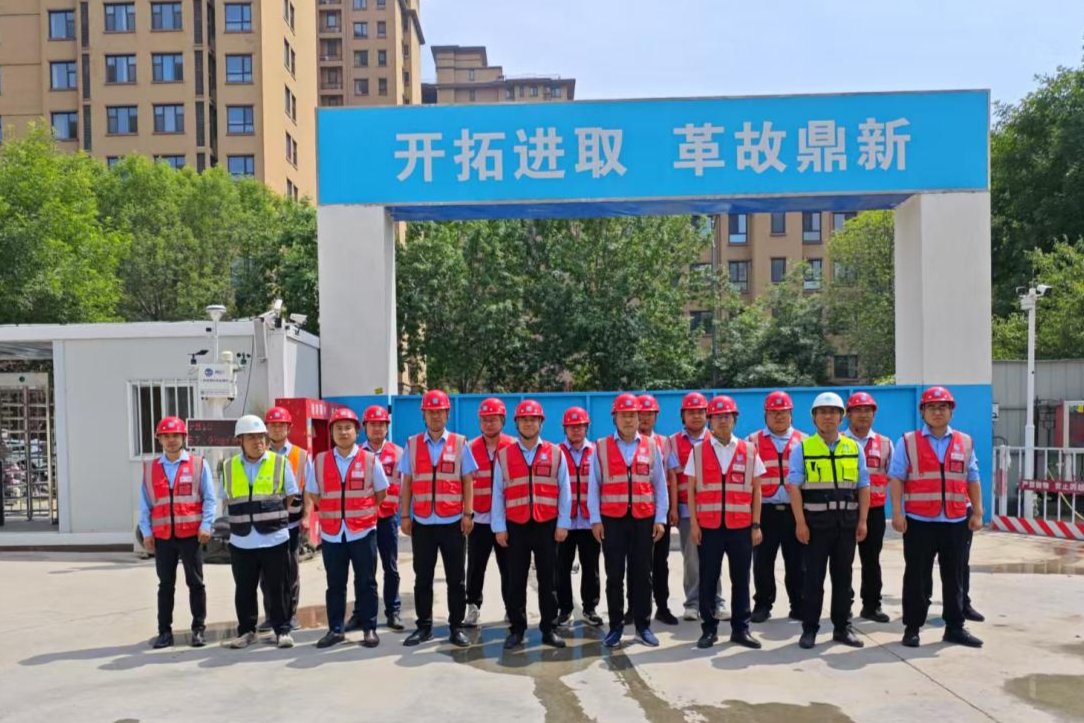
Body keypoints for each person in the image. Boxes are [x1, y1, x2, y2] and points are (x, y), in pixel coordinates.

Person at [889, 386, 984, 648]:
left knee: (954, 577)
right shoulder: (908, 441)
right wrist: (897, 512)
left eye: (943, 407)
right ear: (922, 412)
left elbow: (972, 478)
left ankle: (954, 627)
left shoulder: (965, 442)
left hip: (955, 520)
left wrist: (978, 511)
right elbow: (896, 479)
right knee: (916, 577)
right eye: (931, 407)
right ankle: (912, 628)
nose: (937, 412)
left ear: (951, 411)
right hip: (919, 522)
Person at [787, 392, 870, 650]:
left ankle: (842, 627)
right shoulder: (802, 448)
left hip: (846, 524)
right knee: (813, 579)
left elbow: (863, 485)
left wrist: (863, 521)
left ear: (841, 417)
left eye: (833, 412)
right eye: (822, 412)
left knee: (843, 578)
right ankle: (809, 629)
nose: (828, 417)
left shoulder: (854, 448)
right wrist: (800, 522)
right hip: (815, 526)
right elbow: (794, 487)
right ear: (814, 418)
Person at [589, 393, 669, 649]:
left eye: (633, 415)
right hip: (612, 521)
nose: (629, 420)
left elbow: (660, 485)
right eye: (623, 415)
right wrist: (595, 520)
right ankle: (615, 627)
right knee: (614, 575)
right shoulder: (601, 447)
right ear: (615, 418)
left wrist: (660, 518)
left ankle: (643, 626)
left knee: (643, 574)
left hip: (643, 519)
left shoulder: (651, 446)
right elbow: (594, 486)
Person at [399, 389, 477, 648]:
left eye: (440, 412)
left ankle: (456, 627)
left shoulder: (459, 443)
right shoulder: (412, 444)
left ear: (447, 414)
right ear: (423, 414)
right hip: (422, 522)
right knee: (423, 578)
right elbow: (407, 483)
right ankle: (424, 627)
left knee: (456, 579)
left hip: (452, 522)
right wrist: (405, 515)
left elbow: (467, 481)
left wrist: (468, 513)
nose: (435, 416)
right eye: (430, 412)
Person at [686, 396, 766, 650]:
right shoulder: (697, 451)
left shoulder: (749, 450)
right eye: (718, 417)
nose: (723, 421)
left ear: (735, 419)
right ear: (710, 420)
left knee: (741, 580)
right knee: (708, 579)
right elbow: (691, 491)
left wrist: (756, 525)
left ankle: (741, 629)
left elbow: (757, 490)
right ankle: (709, 630)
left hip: (740, 527)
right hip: (709, 528)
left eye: (727, 416)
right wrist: (695, 525)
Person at [492, 399, 572, 649]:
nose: (529, 423)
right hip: (515, 525)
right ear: (516, 424)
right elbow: (498, 493)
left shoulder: (555, 453)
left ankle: (549, 628)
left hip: (547, 525)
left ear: (541, 423)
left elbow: (565, 490)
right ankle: (517, 629)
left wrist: (563, 523)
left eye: (533, 419)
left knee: (549, 580)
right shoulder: (504, 455)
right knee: (515, 580)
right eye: (524, 419)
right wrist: (499, 527)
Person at [307, 407, 388, 648]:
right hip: (333, 534)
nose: (343, 432)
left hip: (363, 532)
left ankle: (369, 628)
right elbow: (314, 493)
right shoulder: (320, 461)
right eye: (338, 428)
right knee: (335, 585)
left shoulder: (370, 460)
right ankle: (336, 630)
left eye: (348, 428)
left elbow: (381, 492)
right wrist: (333, 512)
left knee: (367, 582)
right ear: (331, 432)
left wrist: (362, 511)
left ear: (356, 431)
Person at [221, 414, 299, 649]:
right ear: (240, 441)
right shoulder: (229, 466)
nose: (258, 442)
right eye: (251, 438)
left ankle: (282, 630)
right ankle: (247, 631)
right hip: (242, 540)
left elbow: (290, 495)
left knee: (278, 587)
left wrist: (270, 515)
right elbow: (226, 498)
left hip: (274, 537)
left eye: (261, 437)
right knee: (244, 589)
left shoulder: (280, 462)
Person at [139, 416, 216, 649]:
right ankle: (164, 632)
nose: (171, 440)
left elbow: (209, 498)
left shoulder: (198, 464)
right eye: (166, 436)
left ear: (184, 437)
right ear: (159, 439)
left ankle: (198, 629)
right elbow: (145, 505)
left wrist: (206, 525)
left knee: (196, 584)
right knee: (165, 586)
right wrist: (146, 532)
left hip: (191, 535)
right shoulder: (150, 468)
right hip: (163, 538)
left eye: (175, 435)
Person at [748, 391, 807, 623]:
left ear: (791, 414)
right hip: (765, 511)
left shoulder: (805, 440)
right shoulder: (752, 441)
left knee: (798, 562)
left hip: (795, 511)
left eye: (783, 412)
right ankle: (763, 604)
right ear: (766, 415)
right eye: (773, 412)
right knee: (763, 562)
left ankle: (799, 604)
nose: (779, 417)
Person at [668, 392, 724, 621]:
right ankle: (692, 603)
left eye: (701, 411)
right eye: (691, 412)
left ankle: (716, 602)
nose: (696, 416)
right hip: (685, 510)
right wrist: (673, 508)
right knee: (691, 559)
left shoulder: (718, 439)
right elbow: (672, 478)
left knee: (714, 557)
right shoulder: (672, 442)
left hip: (713, 509)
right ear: (683, 416)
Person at [258, 406, 313, 633]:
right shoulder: (259, 454)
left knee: (290, 571)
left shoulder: (301, 455)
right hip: (266, 523)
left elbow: (308, 489)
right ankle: (271, 616)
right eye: (273, 425)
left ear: (289, 428)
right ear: (267, 429)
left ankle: (290, 615)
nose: (277, 429)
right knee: (266, 573)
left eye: (281, 425)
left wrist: (307, 517)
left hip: (291, 523)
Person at [464, 398, 515, 628]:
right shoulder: (469, 448)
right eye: (485, 420)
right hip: (480, 519)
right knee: (476, 567)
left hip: (506, 519)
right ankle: (473, 607)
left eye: (493, 419)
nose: (489, 423)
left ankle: (511, 607)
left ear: (502, 420)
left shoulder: (513, 446)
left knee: (509, 567)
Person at [842, 392, 893, 623]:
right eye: (857, 410)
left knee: (871, 560)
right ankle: (844, 604)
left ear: (874, 414)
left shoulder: (885, 444)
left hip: (874, 511)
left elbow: (892, 475)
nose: (863, 415)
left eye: (867, 410)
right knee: (843, 560)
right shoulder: (838, 441)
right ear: (848, 415)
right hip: (843, 509)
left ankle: (872, 606)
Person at [629, 393, 677, 626]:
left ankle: (662, 606)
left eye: (650, 414)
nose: (645, 418)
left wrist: (672, 508)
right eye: (641, 414)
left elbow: (671, 476)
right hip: (635, 511)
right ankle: (633, 607)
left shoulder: (665, 442)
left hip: (659, 509)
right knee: (635, 562)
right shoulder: (627, 443)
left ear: (656, 416)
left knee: (660, 561)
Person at [357, 404, 405, 631]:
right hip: (362, 520)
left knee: (390, 568)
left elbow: (406, 487)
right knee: (363, 570)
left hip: (387, 518)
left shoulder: (399, 453)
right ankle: (361, 613)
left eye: (381, 424)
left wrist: (406, 516)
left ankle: (393, 612)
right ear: (365, 427)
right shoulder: (356, 453)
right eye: (372, 424)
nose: (377, 428)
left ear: (387, 427)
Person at [556, 407, 603, 628]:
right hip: (563, 522)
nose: (576, 430)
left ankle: (590, 608)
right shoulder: (556, 452)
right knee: (561, 567)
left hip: (589, 521)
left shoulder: (596, 452)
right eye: (571, 427)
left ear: (586, 427)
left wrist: (598, 519)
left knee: (591, 566)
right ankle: (564, 610)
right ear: (564, 428)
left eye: (580, 426)